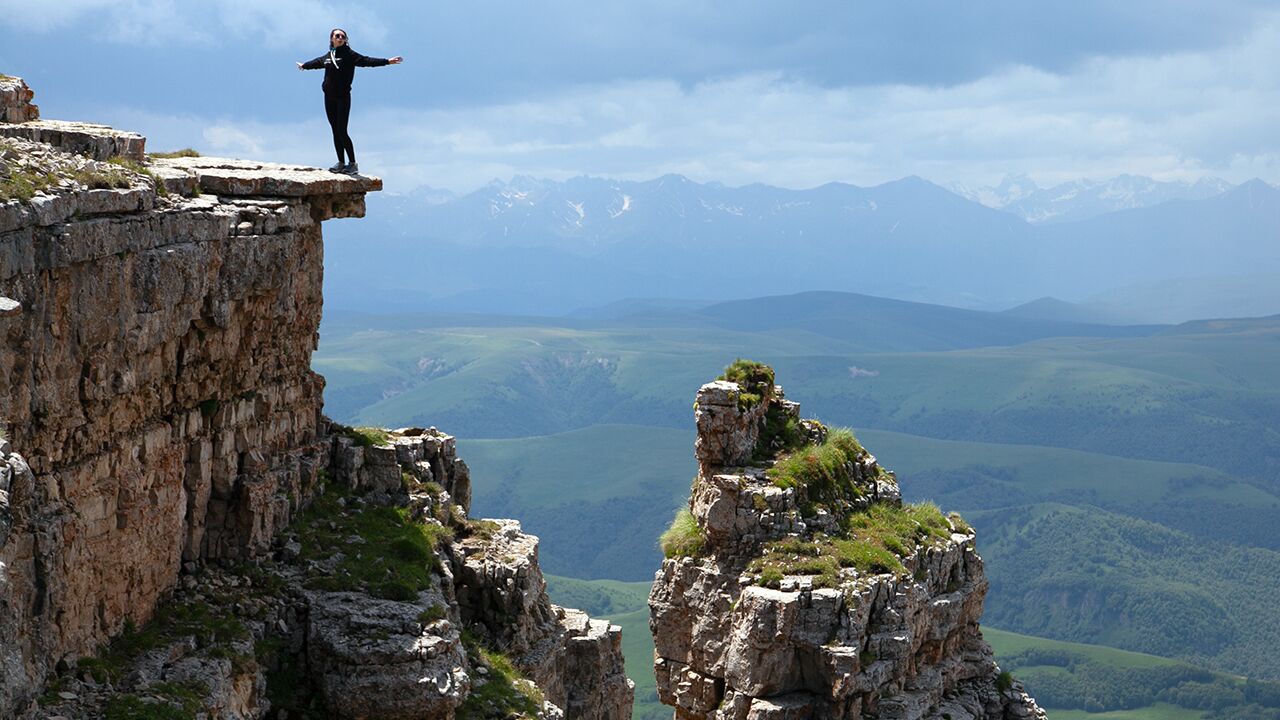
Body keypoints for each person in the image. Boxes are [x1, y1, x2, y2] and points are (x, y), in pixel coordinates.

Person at [297, 28, 402, 175]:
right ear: (331, 39)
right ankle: (340, 162)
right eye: (337, 36)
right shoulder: (329, 55)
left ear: (346, 39)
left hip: (342, 98)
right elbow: (317, 62)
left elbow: (367, 61)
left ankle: (352, 163)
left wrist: (387, 61)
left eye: (343, 36)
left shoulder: (349, 55)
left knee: (342, 130)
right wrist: (304, 66)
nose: (340, 38)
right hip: (329, 97)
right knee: (334, 130)